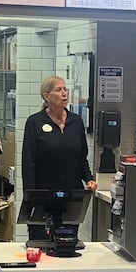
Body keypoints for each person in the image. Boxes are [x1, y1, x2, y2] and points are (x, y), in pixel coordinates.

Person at [22, 75, 96, 240]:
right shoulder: (35, 122)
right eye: (59, 90)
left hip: (71, 194)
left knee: (67, 243)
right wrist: (31, 197)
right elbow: (29, 163)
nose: (64, 93)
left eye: (65, 90)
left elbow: (81, 157)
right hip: (44, 194)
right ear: (46, 96)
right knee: (42, 243)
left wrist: (88, 179)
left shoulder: (76, 122)